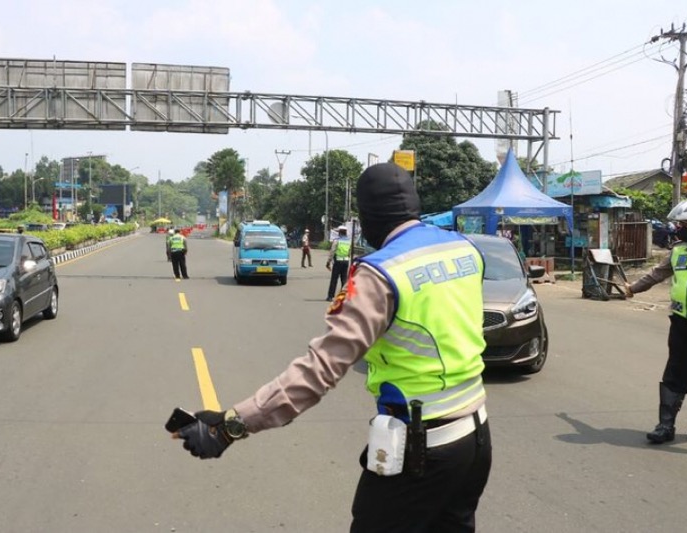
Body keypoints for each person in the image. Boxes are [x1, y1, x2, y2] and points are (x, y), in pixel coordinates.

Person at [171, 162, 491, 532]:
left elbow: (319, 370)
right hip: (476, 439)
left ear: (368, 217)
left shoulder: (382, 272)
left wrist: (231, 425)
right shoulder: (464, 249)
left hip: (422, 453)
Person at [625, 198, 687, 444]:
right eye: (681, 224)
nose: (682, 228)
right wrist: (633, 288)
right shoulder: (678, 250)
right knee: (675, 373)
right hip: (681, 325)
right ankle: (665, 426)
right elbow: (657, 274)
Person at [326, 225, 351, 301]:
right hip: (346, 262)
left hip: (338, 262)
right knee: (344, 279)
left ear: (340, 232)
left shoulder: (337, 240)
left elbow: (332, 252)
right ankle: (344, 296)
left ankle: (330, 296)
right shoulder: (349, 241)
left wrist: (328, 262)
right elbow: (350, 252)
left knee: (334, 279)